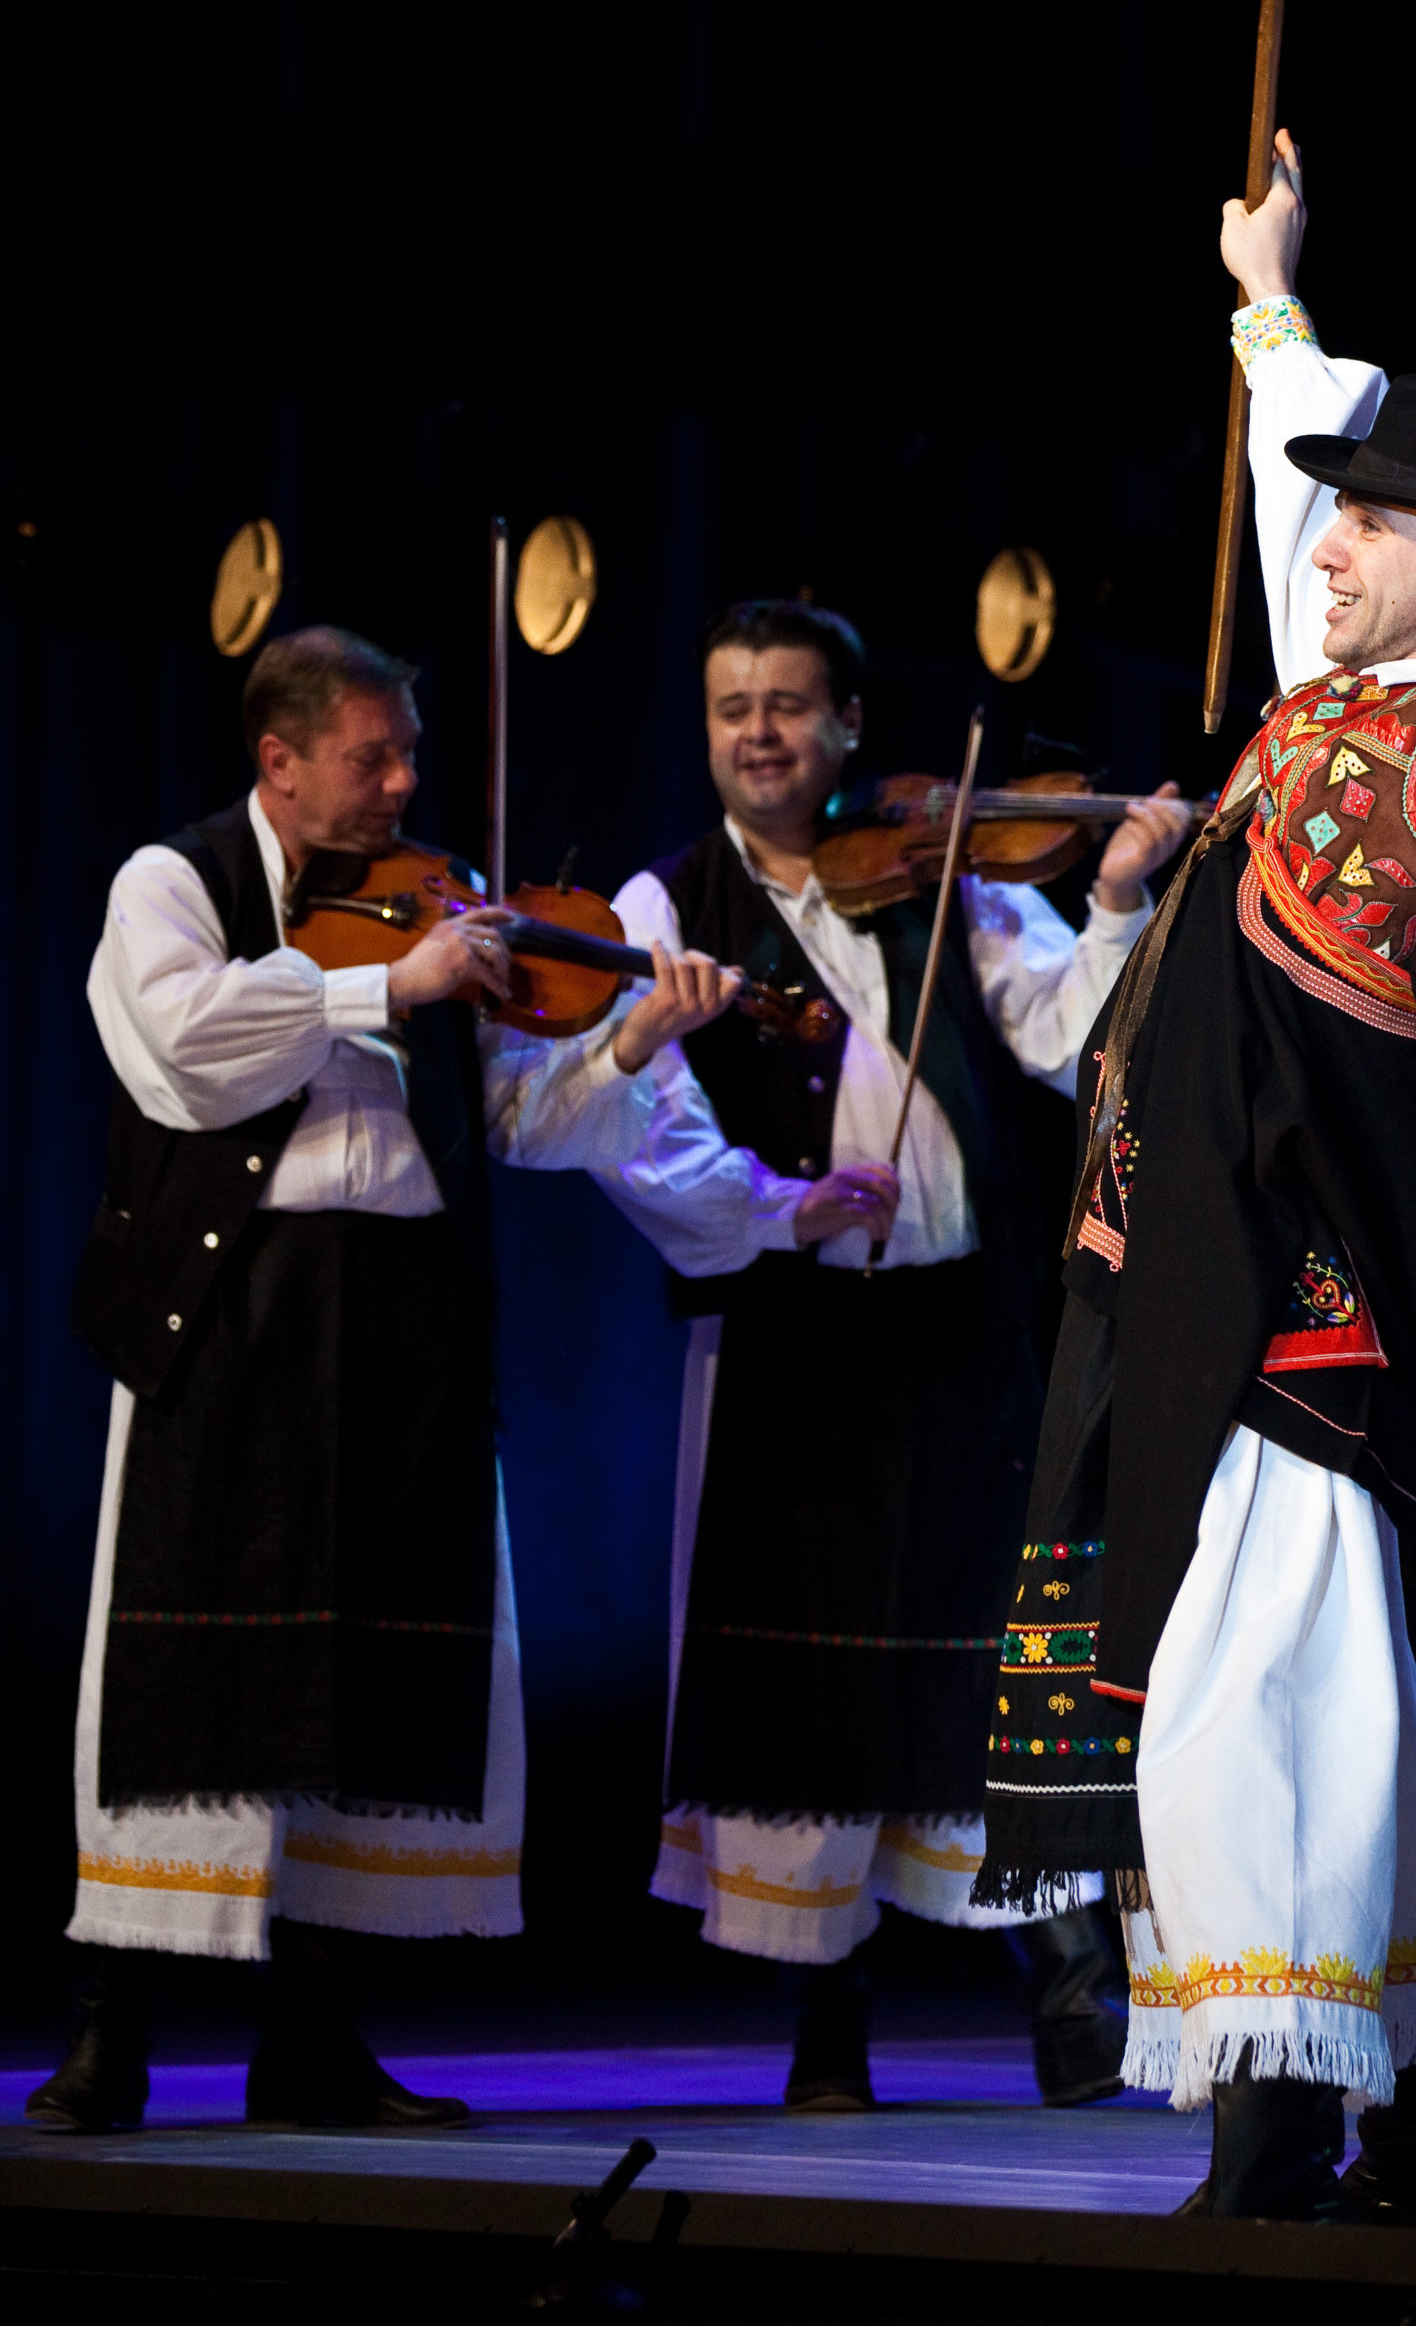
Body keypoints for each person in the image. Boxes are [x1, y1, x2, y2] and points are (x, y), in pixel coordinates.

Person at [973, 132, 1416, 2225]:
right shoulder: (1326, 710)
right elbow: (1317, 554)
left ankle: (1273, 2118)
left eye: (1384, 524)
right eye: (1342, 516)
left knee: (1251, 1690)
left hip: (1325, 1302)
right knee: (1321, 1691)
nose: (1338, 549)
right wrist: (1268, 306)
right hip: (1211, 1276)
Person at [30, 626, 735, 2133]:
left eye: (410, 752)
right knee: (190, 1663)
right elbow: (183, 1050)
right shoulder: (172, 883)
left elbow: (521, 1118)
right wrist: (379, 987)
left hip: (405, 1312)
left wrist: (632, 1039)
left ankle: (315, 2036)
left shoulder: (437, 907)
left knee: (374, 1669)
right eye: (373, 757)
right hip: (238, 1308)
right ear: (279, 761)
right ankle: (112, 2031)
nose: (406, 782)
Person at [597, 596, 1191, 2109]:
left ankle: (1072, 1995)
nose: (759, 734)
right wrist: (774, 1208)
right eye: (733, 707)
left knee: (999, 1663)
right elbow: (636, 1129)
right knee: (808, 1690)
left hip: (960, 1330)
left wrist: (1120, 896)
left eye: (788, 705)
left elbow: (1068, 1037)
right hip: (790, 1343)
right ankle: (826, 2024)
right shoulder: (666, 905)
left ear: (847, 723)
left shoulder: (944, 870)